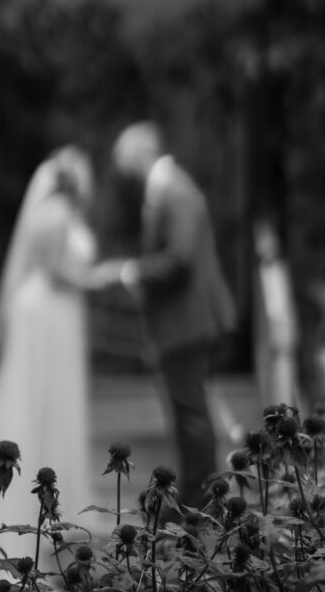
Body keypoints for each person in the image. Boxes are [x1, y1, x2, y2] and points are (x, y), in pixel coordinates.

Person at [0, 144, 98, 553]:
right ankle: (33, 496)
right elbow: (58, 267)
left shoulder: (61, 213)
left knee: (54, 404)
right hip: (48, 311)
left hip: (58, 310)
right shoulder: (55, 215)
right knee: (37, 402)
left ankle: (54, 496)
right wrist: (98, 278)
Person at [93, 122, 236, 510]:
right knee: (187, 413)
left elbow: (179, 259)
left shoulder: (175, 190)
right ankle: (197, 498)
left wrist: (130, 272)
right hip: (179, 322)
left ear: (142, 154)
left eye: (123, 161)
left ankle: (204, 502)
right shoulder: (165, 190)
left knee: (192, 416)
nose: (121, 170)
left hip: (188, 321)